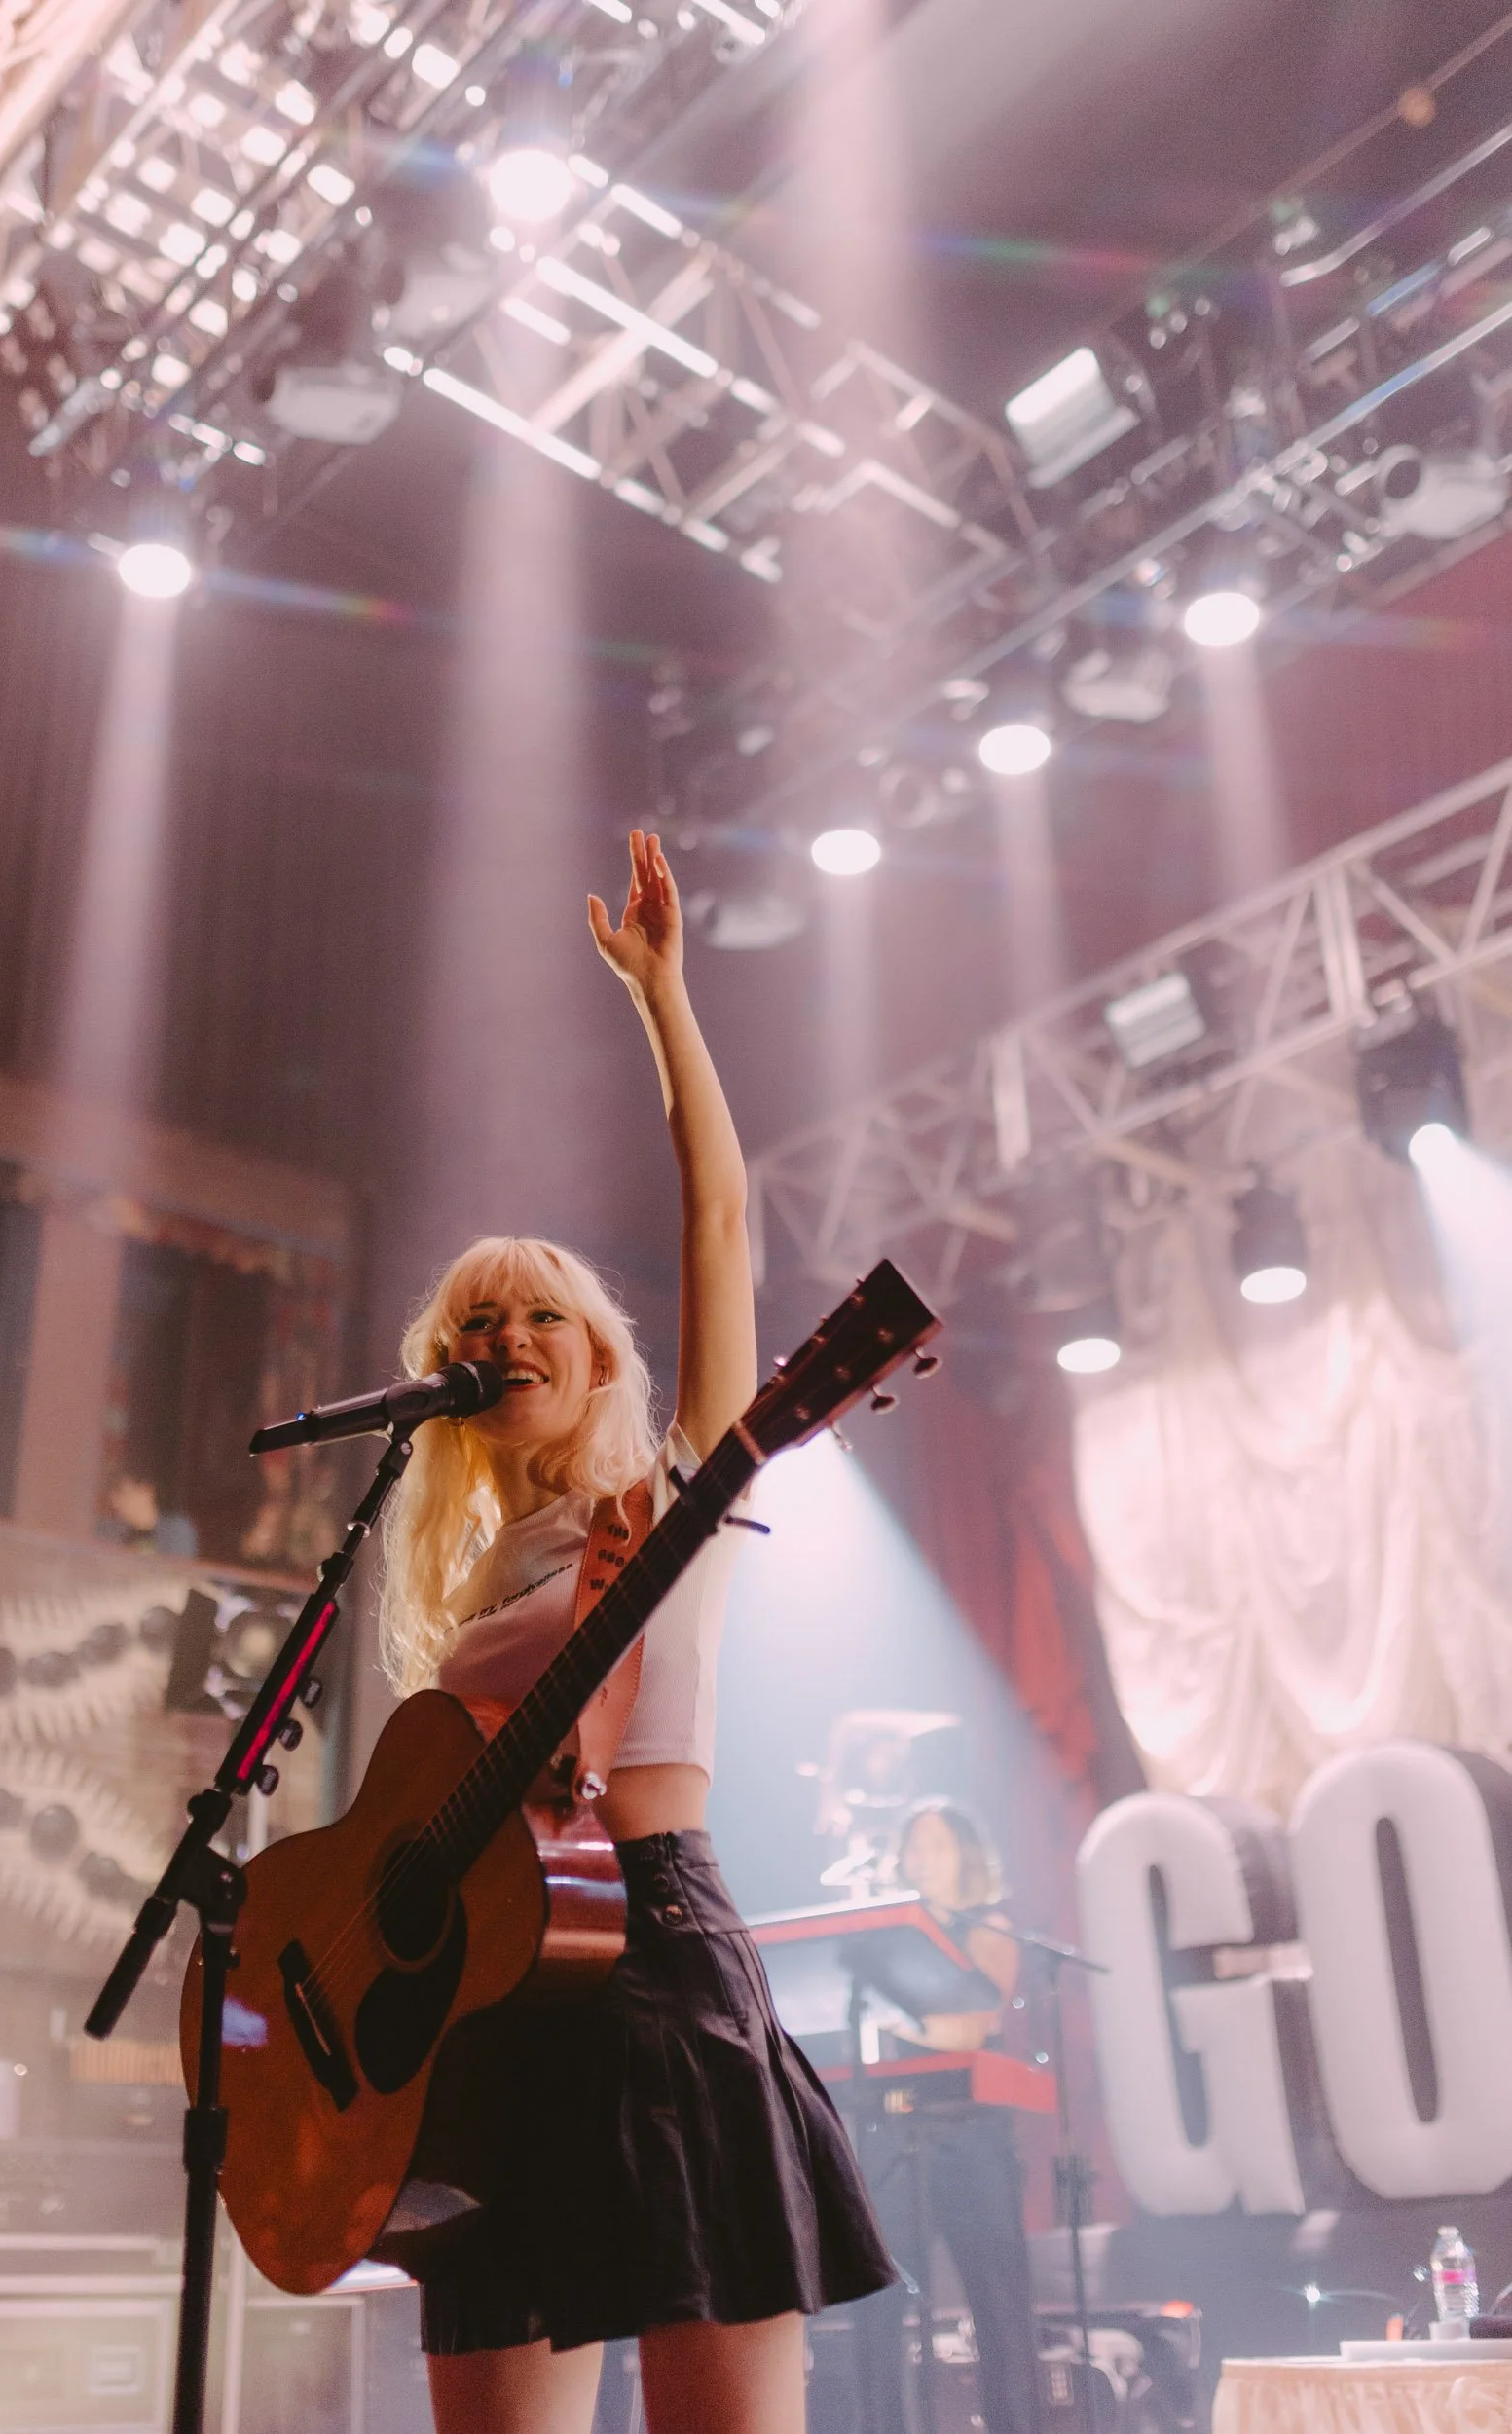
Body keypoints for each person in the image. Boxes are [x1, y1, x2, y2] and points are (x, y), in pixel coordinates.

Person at [375, 830, 893, 2434]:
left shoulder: (672, 1508)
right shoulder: (465, 1594)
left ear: (600, 1359)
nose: (505, 1334)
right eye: (478, 1318)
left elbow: (721, 1220)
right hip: (489, 2008)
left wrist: (666, 1000)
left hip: (657, 1959)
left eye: (541, 1314)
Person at [857, 1801, 1043, 2434]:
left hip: (971, 2137)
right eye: (914, 1847)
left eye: (936, 1846)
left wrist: (892, 2019)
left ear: (966, 1855)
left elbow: (968, 2026)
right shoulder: (889, 1935)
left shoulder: (988, 1927)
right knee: (875, 2302)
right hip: (897, 2134)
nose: (922, 1859)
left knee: (997, 2305)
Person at [98, 1469, 199, 1559]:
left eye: (123, 1493)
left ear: (147, 1491)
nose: (116, 1503)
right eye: (113, 1498)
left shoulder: (176, 1530)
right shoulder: (111, 1531)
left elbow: (176, 1572)